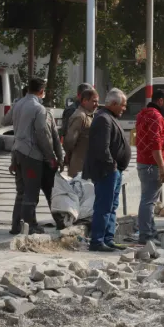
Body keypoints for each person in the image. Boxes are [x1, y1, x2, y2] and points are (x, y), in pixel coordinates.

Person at [9, 77, 62, 234]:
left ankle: (16, 226)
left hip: (17, 151)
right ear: (41, 91)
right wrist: (50, 157)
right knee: (31, 192)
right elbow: (42, 134)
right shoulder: (39, 109)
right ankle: (30, 226)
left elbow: (5, 120)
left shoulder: (17, 105)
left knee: (21, 192)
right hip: (31, 155)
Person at [83, 88, 130, 252]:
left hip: (113, 171)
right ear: (114, 104)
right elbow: (101, 148)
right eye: (123, 105)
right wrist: (112, 166)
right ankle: (97, 240)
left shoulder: (110, 118)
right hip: (106, 171)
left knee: (111, 206)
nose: (124, 109)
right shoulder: (103, 119)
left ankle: (108, 238)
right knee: (103, 206)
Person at [135, 88, 164, 243]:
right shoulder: (155, 116)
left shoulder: (143, 114)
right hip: (152, 164)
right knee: (148, 201)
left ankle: (150, 230)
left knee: (148, 199)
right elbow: (155, 144)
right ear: (160, 101)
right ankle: (146, 235)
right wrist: (162, 167)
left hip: (145, 162)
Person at [64, 88, 98, 177]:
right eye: (94, 101)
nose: (96, 105)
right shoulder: (80, 116)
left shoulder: (89, 115)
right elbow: (69, 142)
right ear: (84, 101)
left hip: (87, 166)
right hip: (79, 168)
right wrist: (68, 156)